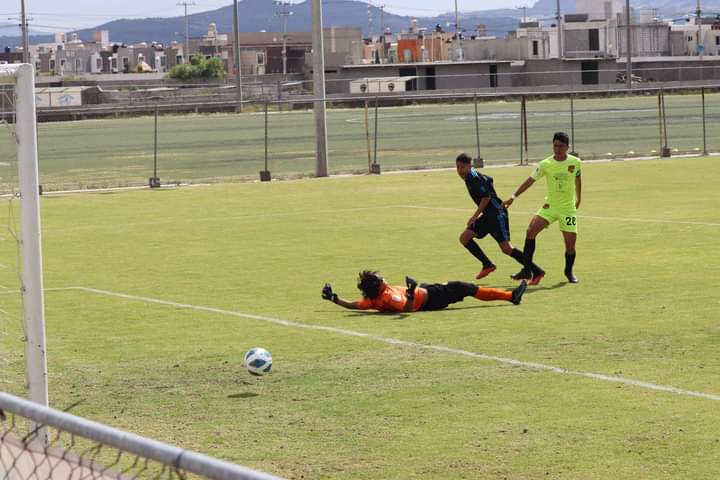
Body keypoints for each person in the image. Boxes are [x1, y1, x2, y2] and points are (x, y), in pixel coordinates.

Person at [503, 132, 582, 285]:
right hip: (550, 206)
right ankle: (527, 269)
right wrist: (513, 197)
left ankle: (568, 271)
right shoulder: (546, 164)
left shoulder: (576, 162)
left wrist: (579, 199)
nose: (557, 149)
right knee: (531, 231)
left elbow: (578, 179)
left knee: (570, 245)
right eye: (555, 145)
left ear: (567, 147)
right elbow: (530, 180)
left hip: (567, 209)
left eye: (561, 146)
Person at [455, 153, 542, 280]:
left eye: (462, 167)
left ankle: (536, 271)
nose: (459, 170)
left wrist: (474, 217)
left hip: (496, 214)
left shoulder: (473, 178)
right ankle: (487, 264)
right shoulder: (471, 176)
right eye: (457, 167)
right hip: (488, 215)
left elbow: (486, 198)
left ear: (469, 165)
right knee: (464, 238)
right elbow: (489, 179)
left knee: (506, 248)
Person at [321, 270, 528, 313]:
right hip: (432, 299)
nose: (383, 276)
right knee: (467, 288)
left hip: (427, 290)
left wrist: (333, 298)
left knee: (462, 286)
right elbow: (406, 309)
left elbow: (353, 305)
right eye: (379, 278)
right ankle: (511, 296)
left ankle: (511, 296)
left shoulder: (372, 300)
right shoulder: (388, 297)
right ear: (378, 285)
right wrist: (411, 292)